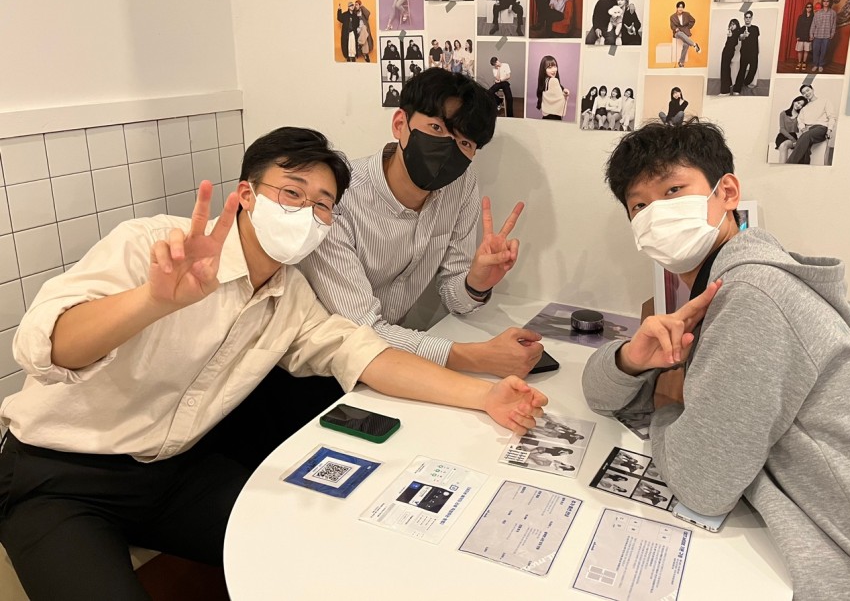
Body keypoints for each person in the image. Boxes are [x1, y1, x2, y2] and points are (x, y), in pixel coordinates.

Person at [0, 127, 549, 599]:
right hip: (58, 476)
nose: (306, 213)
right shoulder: (155, 245)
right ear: (246, 194)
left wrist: (484, 394)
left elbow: (366, 354)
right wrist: (152, 301)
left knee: (313, 556)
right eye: (291, 192)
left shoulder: (291, 298)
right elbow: (44, 347)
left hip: (175, 474)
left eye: (322, 205)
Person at [582, 119, 850, 601]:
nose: (657, 215)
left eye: (673, 191)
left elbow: (703, 483)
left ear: (727, 192)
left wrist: (666, 407)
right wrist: (631, 361)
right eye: (639, 206)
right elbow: (599, 394)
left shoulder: (753, 295)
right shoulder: (719, 288)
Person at [301, 68, 542, 378]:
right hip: (320, 370)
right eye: (437, 128)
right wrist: (477, 357)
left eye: (465, 142)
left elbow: (453, 295)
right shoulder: (337, 199)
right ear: (400, 124)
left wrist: (476, 282)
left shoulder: (460, 184)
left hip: (388, 363)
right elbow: (363, 331)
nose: (449, 149)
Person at [787, 82, 833, 164]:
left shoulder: (825, 101)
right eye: (804, 93)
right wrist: (803, 129)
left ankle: (789, 163)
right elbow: (800, 120)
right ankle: (804, 166)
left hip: (821, 128)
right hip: (808, 130)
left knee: (805, 136)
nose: (806, 93)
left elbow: (832, 117)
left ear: (812, 89)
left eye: (807, 90)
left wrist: (829, 130)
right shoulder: (804, 108)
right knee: (805, 142)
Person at [535, 54, 569, 120]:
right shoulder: (553, 80)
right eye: (549, 67)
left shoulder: (545, 81)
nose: (553, 70)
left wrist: (563, 90)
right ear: (544, 69)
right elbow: (560, 99)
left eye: (555, 66)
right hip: (554, 116)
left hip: (546, 115)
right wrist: (566, 95)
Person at [774, 95, 806, 163]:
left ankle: (782, 167)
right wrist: (793, 140)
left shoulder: (800, 116)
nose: (798, 105)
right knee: (782, 145)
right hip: (782, 136)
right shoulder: (783, 113)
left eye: (801, 105)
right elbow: (782, 129)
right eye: (798, 103)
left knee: (784, 145)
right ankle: (782, 167)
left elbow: (802, 127)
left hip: (793, 135)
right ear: (794, 101)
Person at [669, 0, 700, 68]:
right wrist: (675, 29)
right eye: (679, 7)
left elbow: (693, 20)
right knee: (680, 33)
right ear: (677, 8)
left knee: (686, 45)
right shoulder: (672, 17)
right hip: (677, 33)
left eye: (682, 7)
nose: (681, 9)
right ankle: (694, 45)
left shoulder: (687, 14)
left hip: (685, 32)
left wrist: (688, 27)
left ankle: (681, 62)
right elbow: (672, 26)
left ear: (683, 8)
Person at [809, 0, 836, 73]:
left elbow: (834, 25)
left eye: (827, 1)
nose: (826, 2)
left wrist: (832, 33)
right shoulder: (818, 13)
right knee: (816, 51)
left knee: (824, 51)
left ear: (830, 2)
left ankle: (820, 65)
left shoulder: (833, 13)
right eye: (824, 1)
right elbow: (813, 24)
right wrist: (811, 34)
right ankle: (815, 65)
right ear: (822, 2)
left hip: (826, 36)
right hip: (817, 35)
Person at [737, 11, 760, 90]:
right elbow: (740, 38)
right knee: (742, 69)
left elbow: (756, 40)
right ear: (744, 18)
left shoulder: (756, 28)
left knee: (753, 68)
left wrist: (758, 50)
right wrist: (744, 35)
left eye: (749, 17)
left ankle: (746, 82)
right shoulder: (742, 29)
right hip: (744, 53)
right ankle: (737, 87)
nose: (748, 19)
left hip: (754, 53)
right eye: (746, 17)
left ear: (751, 18)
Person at [720, 18, 742, 95]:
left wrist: (731, 35)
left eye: (733, 24)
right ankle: (729, 84)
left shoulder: (737, 32)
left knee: (724, 69)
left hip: (729, 51)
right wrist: (730, 34)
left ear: (737, 25)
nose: (732, 26)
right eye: (731, 24)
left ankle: (725, 91)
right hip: (726, 50)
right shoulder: (732, 32)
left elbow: (738, 38)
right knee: (725, 68)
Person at [794, 2, 814, 71]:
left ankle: (804, 63)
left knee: (806, 50)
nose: (809, 8)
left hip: (808, 36)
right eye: (807, 7)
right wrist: (797, 35)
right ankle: (799, 62)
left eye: (810, 7)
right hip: (801, 35)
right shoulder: (801, 16)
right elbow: (798, 26)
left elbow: (814, 27)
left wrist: (812, 36)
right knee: (800, 50)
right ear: (805, 8)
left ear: (812, 8)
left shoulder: (813, 17)